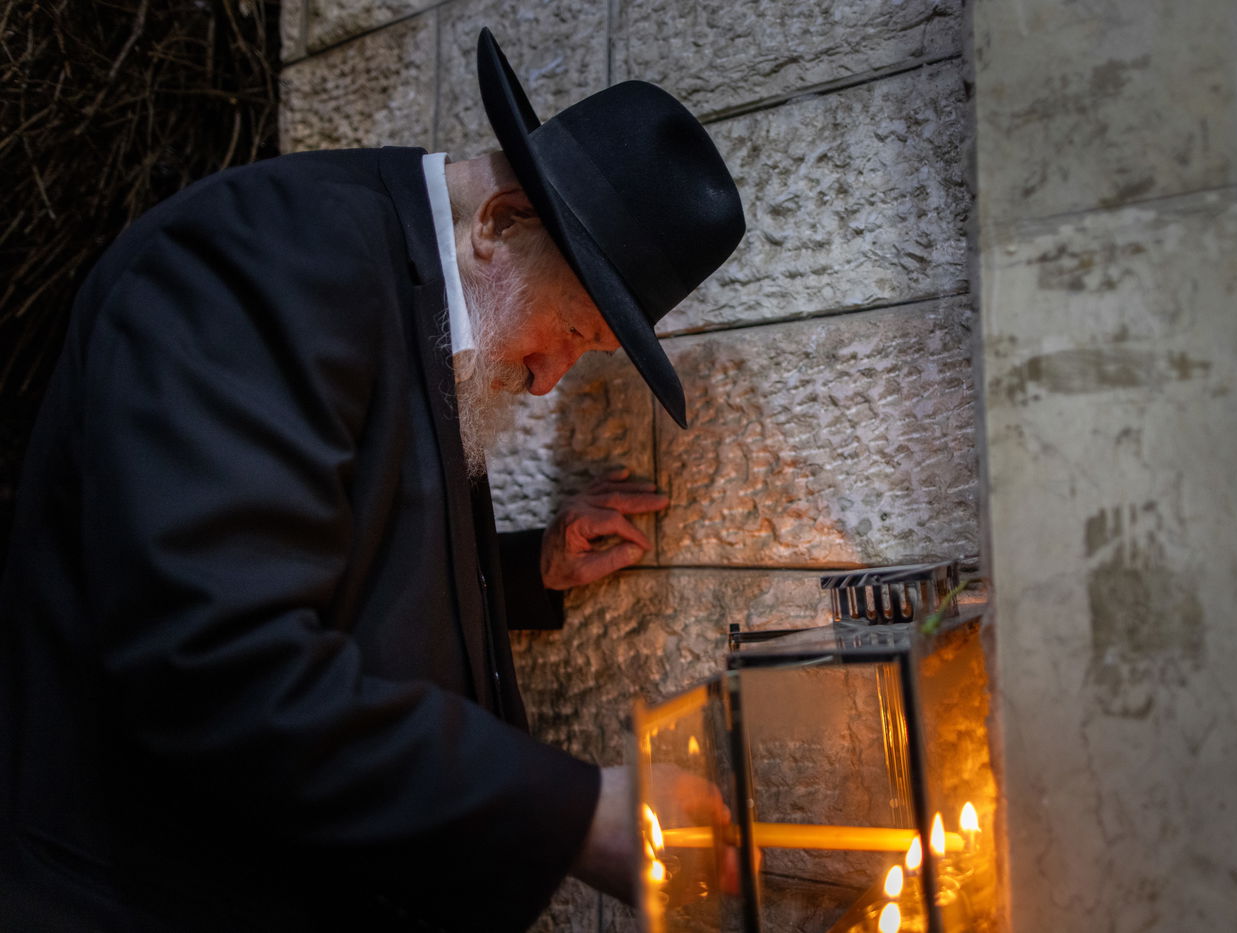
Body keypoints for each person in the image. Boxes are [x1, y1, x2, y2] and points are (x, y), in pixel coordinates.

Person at [0, 28, 744, 932]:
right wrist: (578, 811)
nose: (550, 376)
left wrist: (528, 567)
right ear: (500, 223)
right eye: (575, 332)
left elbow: (320, 553)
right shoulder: (258, 263)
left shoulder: (418, 286)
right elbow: (217, 660)